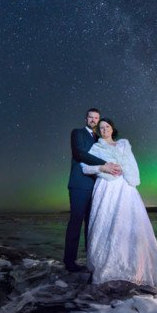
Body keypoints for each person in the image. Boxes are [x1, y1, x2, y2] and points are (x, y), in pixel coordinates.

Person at [80, 118, 157, 289]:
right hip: (107, 188)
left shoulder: (124, 145)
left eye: (107, 126)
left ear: (112, 128)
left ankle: (133, 267)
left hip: (125, 188)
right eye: (101, 128)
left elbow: (133, 165)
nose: (104, 130)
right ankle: (108, 266)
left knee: (130, 225)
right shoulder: (96, 148)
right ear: (98, 131)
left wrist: (126, 173)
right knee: (106, 225)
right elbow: (84, 167)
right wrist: (102, 168)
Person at [63, 108, 122, 273]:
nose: (94, 120)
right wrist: (104, 164)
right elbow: (79, 153)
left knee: (92, 225)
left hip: (97, 186)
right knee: (76, 222)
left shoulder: (99, 138)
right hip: (80, 184)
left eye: (97, 118)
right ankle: (69, 262)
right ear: (86, 118)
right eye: (91, 117)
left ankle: (91, 260)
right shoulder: (77, 133)